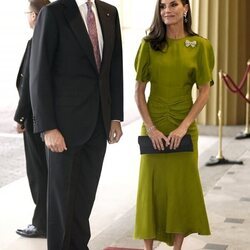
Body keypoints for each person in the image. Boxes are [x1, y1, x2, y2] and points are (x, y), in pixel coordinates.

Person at [29, 0, 123, 249]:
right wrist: (47, 127)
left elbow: (114, 68)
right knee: (61, 204)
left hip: (99, 124)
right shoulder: (54, 13)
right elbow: (39, 73)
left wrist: (115, 116)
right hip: (63, 128)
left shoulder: (109, 12)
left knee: (84, 200)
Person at [134, 0, 214, 249]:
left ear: (186, 8)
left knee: (179, 190)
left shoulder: (200, 46)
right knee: (151, 188)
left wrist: (183, 126)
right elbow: (138, 92)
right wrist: (151, 127)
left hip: (184, 127)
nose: (167, 10)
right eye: (162, 6)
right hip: (153, 125)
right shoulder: (148, 45)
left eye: (173, 4)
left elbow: (203, 92)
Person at [14, 0, 50, 238]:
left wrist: (21, 115)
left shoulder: (37, 41)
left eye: (28, 13)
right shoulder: (52, 41)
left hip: (36, 118)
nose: (27, 17)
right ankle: (49, 220)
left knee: (39, 173)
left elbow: (30, 84)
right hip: (46, 117)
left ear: (36, 16)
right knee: (48, 172)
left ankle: (41, 223)